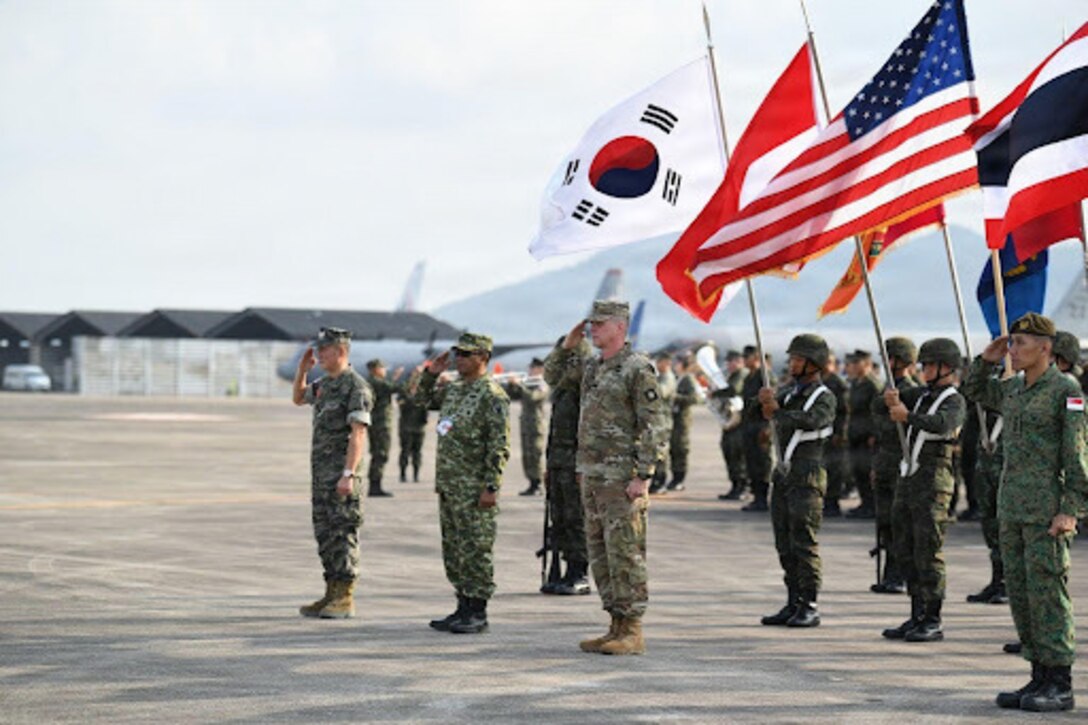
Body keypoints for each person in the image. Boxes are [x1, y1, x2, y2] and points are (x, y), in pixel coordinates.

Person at [963, 313, 1088, 712]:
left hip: (1046, 512)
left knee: (1048, 595)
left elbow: (1077, 457)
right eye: (1011, 342)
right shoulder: (1014, 390)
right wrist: (987, 357)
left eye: (1020, 343)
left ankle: (1060, 681)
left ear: (1045, 348)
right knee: (1021, 595)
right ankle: (1038, 673)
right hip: (1012, 508)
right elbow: (973, 390)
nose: (1013, 350)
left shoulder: (1065, 390)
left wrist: (1069, 509)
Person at [549, 300, 666, 655]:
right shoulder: (593, 368)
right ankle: (614, 624)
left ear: (619, 326)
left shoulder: (637, 368)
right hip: (593, 476)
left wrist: (643, 475)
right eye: (591, 324)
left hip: (621, 478)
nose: (592, 330)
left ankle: (632, 629)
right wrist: (568, 344)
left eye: (599, 324)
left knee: (625, 553)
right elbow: (554, 377)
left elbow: (653, 425)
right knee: (600, 555)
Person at [414, 332, 511, 635]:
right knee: (454, 549)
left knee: (476, 549)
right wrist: (432, 373)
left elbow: (499, 445)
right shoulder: (454, 390)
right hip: (450, 484)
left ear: (483, 357)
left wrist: (491, 486)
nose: (459, 359)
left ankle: (478, 611)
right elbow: (419, 399)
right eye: (457, 353)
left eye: (466, 354)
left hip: (474, 487)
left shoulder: (492, 395)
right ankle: (462, 606)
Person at [880, 338, 965, 644]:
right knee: (906, 548)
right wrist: (892, 395)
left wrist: (907, 416)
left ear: (946, 368)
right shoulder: (921, 396)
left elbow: (943, 425)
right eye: (923, 365)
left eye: (930, 365)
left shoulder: (954, 400)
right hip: (910, 479)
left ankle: (932, 618)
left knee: (928, 551)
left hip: (933, 484)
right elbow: (891, 398)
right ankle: (916, 613)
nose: (924, 370)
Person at [292, 327, 372, 619]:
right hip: (322, 477)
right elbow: (299, 398)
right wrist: (303, 370)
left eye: (323, 350)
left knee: (343, 533)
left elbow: (358, 435)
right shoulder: (325, 385)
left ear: (340, 351)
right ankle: (331, 593)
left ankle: (345, 597)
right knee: (325, 535)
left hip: (342, 478)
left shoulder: (356, 387)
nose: (319, 355)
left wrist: (348, 474)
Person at [757, 334, 836, 628]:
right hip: (785, 475)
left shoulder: (823, 396)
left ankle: (809, 604)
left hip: (808, 474)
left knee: (804, 542)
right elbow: (765, 414)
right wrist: (764, 402)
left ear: (814, 364)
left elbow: (814, 420)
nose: (792, 364)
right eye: (792, 359)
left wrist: (778, 411)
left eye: (799, 359)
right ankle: (792, 601)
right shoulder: (789, 393)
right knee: (785, 543)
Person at [542, 336, 592, 596]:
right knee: (559, 518)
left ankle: (579, 572)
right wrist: (549, 465)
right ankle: (563, 570)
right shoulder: (562, 392)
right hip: (559, 463)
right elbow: (553, 434)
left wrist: (582, 467)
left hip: (575, 465)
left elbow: (588, 434)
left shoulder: (584, 394)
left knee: (577, 519)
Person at [869, 337, 918, 594]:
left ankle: (898, 574)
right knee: (885, 520)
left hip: (902, 462)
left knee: (899, 522)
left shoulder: (911, 391)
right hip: (886, 460)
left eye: (890, 357)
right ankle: (890, 572)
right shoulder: (886, 390)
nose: (885, 361)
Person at [504, 359, 549, 496]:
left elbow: (533, 397)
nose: (530, 370)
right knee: (527, 455)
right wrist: (512, 385)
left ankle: (539, 483)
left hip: (536, 425)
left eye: (533, 368)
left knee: (536, 455)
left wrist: (520, 384)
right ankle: (532, 482)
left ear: (540, 369)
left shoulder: (542, 384)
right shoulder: (529, 383)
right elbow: (514, 396)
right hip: (526, 424)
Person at [741, 345, 776, 512]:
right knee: (752, 463)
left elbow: (773, 402)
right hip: (750, 425)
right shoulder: (749, 377)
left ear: (756, 358)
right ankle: (756, 496)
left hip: (762, 425)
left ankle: (762, 498)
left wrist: (768, 428)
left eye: (747, 357)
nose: (744, 360)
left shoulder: (765, 377)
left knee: (763, 463)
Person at [846, 350, 881, 519]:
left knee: (867, 471)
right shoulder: (856, 384)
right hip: (855, 433)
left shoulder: (872, 385)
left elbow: (878, 412)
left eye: (855, 363)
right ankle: (864, 503)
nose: (851, 367)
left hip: (867, 435)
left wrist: (874, 434)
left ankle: (872, 505)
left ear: (866, 364)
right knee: (858, 470)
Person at [365, 359, 401, 497]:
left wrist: (394, 378)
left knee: (377, 453)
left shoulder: (372, 382)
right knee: (381, 454)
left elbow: (389, 386)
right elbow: (398, 388)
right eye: (383, 368)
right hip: (381, 424)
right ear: (376, 369)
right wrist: (416, 376)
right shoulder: (377, 382)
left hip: (375, 423)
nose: (385, 371)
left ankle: (375, 485)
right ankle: (375, 487)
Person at [666, 353, 700, 493]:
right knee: (674, 448)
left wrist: (676, 397)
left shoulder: (688, 379)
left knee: (681, 449)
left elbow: (694, 398)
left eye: (677, 362)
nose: (675, 365)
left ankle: (679, 479)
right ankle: (675, 477)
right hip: (674, 419)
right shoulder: (676, 378)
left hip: (682, 420)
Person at [717, 350, 749, 500]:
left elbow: (734, 390)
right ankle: (735, 485)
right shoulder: (732, 376)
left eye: (732, 361)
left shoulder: (742, 374)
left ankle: (743, 487)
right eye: (728, 361)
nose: (729, 364)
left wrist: (715, 394)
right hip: (730, 420)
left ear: (740, 361)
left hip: (739, 422)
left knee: (738, 454)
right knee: (729, 452)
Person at [822, 353, 849, 516]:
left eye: (829, 362)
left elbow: (845, 411)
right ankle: (826, 500)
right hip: (823, 432)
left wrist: (840, 433)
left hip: (835, 433)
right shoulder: (821, 381)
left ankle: (833, 502)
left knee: (834, 469)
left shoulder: (836, 382)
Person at [649, 352, 676, 494]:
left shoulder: (668, 378)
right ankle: (656, 480)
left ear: (666, 363)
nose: (657, 365)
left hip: (663, 422)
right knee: (654, 452)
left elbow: (661, 392)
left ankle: (661, 480)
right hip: (656, 421)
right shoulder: (659, 377)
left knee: (661, 453)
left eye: (660, 362)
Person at [397, 366, 428, 483]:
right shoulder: (404, 392)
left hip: (419, 427)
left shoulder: (422, 392)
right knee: (405, 451)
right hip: (406, 426)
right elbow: (401, 403)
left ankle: (416, 475)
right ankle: (403, 474)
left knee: (417, 452)